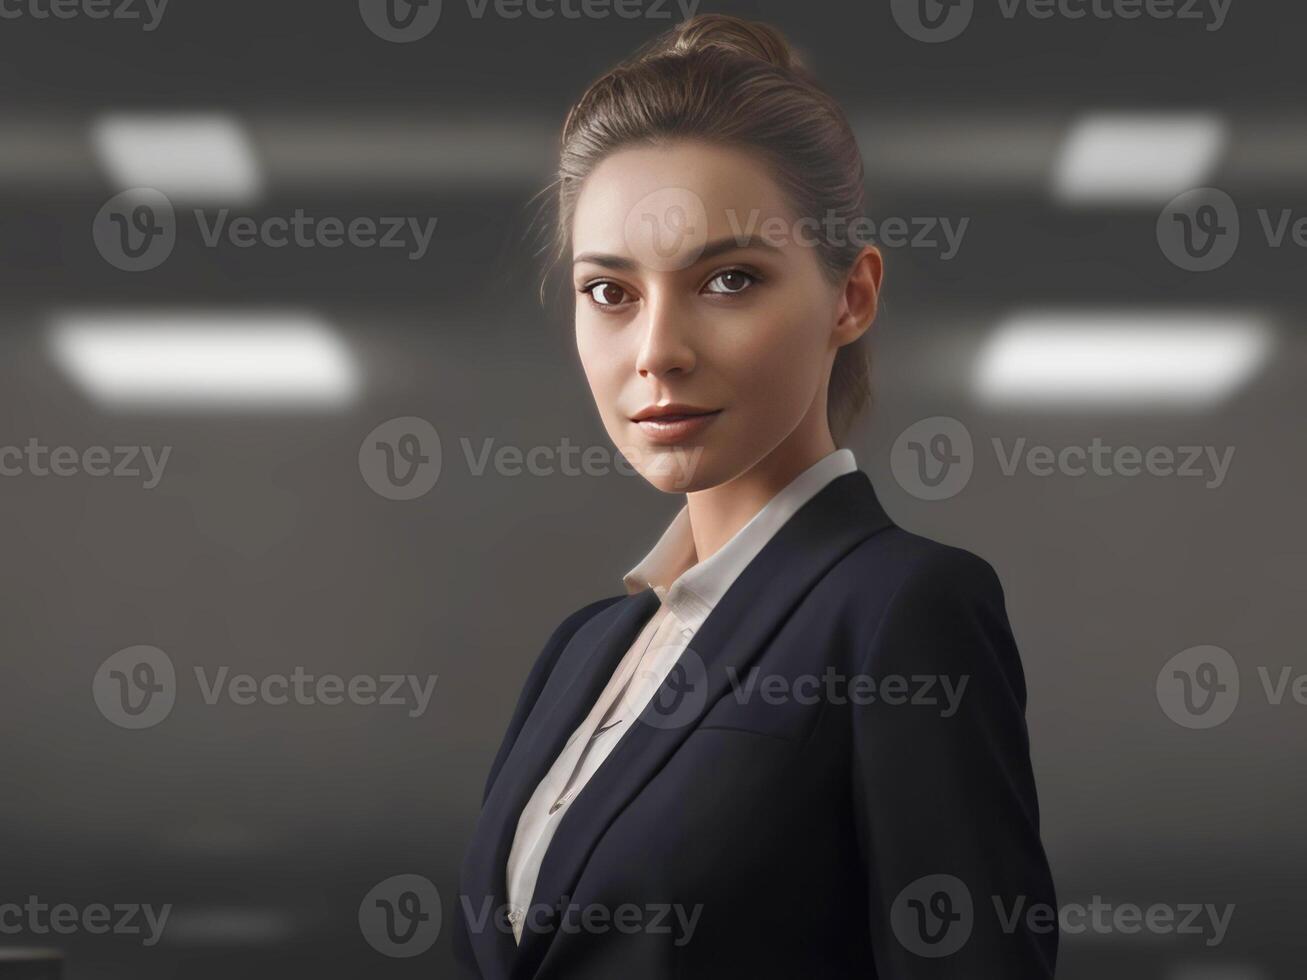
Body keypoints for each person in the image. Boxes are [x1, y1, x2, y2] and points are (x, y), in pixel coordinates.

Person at [455, 13, 1058, 978]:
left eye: (728, 279)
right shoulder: (583, 649)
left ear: (850, 297)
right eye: (610, 292)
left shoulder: (904, 611)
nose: (656, 351)